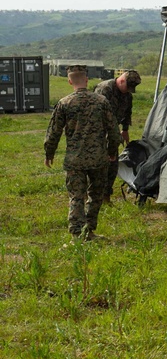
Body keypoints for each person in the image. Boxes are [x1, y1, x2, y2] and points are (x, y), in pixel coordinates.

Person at [44, 66, 120, 239]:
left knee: (76, 197)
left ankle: (77, 234)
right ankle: (90, 230)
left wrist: (49, 154)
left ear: (70, 81)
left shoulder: (64, 103)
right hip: (98, 159)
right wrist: (112, 151)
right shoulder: (101, 101)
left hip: (75, 160)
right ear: (86, 80)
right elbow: (114, 131)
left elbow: (53, 133)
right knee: (96, 195)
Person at [94, 70, 141, 202]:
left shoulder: (127, 95)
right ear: (121, 81)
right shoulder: (104, 89)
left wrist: (125, 130)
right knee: (98, 164)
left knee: (112, 164)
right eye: (128, 87)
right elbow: (98, 116)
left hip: (113, 134)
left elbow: (127, 113)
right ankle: (92, 195)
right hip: (99, 133)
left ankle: (105, 196)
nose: (129, 91)